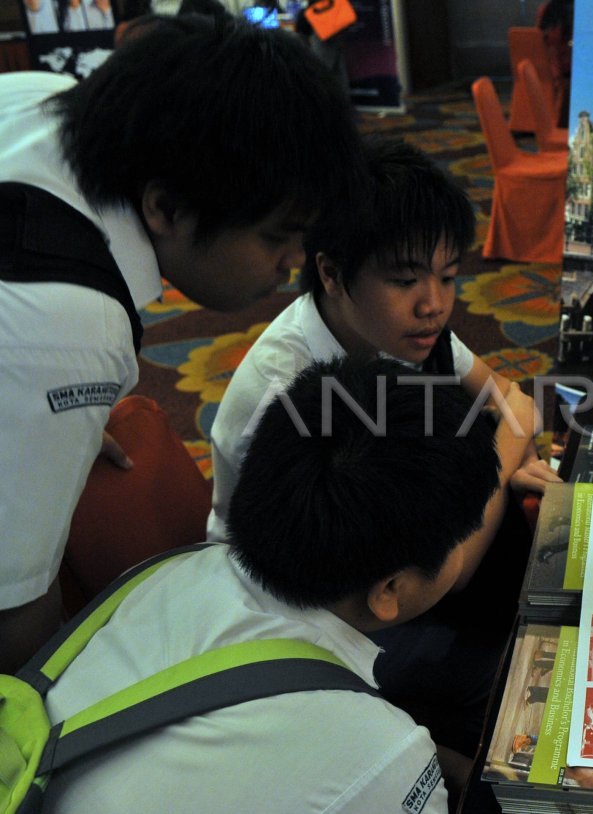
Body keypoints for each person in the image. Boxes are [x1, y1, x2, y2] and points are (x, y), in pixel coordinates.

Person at [0, 14, 366, 675]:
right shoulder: (68, 329)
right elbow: (11, 611)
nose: (293, 263)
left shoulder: (39, 98)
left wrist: (40, 422)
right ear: (166, 208)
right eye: (275, 237)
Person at [207, 133, 559, 752]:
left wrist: (501, 455)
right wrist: (501, 463)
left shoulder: (401, 330)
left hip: (384, 564)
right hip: (303, 618)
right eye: (405, 280)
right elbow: (447, 568)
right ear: (332, 274)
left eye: (449, 278)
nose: (435, 305)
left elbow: (516, 402)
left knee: (537, 560)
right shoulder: (289, 395)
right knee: (515, 662)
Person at [42, 354, 500, 814]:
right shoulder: (379, 753)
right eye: (464, 533)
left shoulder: (158, 575)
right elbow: (361, 766)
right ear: (389, 591)